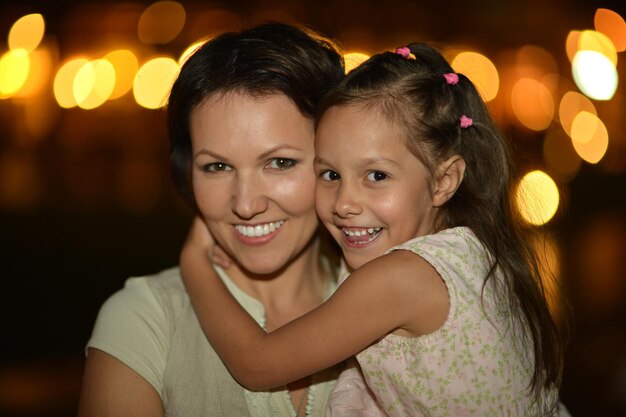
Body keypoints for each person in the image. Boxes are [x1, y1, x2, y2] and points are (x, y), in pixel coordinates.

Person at [179, 43, 566, 416]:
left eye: (376, 175)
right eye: (330, 174)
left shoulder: (401, 278)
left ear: (444, 181)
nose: (345, 202)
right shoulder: (468, 251)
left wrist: (195, 263)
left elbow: (257, 365)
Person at [76, 22, 346, 417]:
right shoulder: (146, 318)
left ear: (335, 163)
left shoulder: (383, 296)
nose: (246, 204)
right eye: (217, 166)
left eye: (280, 162)